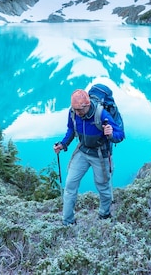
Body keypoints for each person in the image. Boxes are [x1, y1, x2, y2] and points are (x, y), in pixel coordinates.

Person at [53, 88, 125, 226]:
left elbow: (120, 135)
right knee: (70, 185)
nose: (77, 113)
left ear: (87, 105)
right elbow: (71, 129)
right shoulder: (73, 112)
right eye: (74, 109)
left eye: (79, 110)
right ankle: (67, 221)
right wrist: (63, 144)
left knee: (103, 186)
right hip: (83, 150)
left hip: (100, 154)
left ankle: (104, 214)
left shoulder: (102, 114)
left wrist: (110, 134)